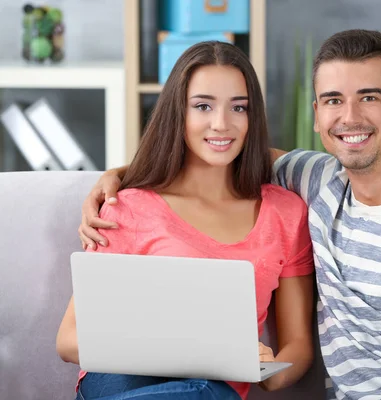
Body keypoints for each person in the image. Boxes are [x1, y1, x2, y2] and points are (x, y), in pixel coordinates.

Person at [78, 30, 381, 400]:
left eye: (370, 97)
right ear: (317, 115)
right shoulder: (315, 181)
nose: (351, 117)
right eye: (335, 100)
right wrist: (123, 175)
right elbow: (219, 147)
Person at [57, 41, 315, 400]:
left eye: (238, 107)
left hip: (213, 389)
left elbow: (298, 345)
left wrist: (270, 372)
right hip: (120, 379)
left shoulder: (286, 213)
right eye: (203, 106)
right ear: (178, 113)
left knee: (203, 392)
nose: (222, 124)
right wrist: (181, 352)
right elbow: (69, 339)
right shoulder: (128, 207)